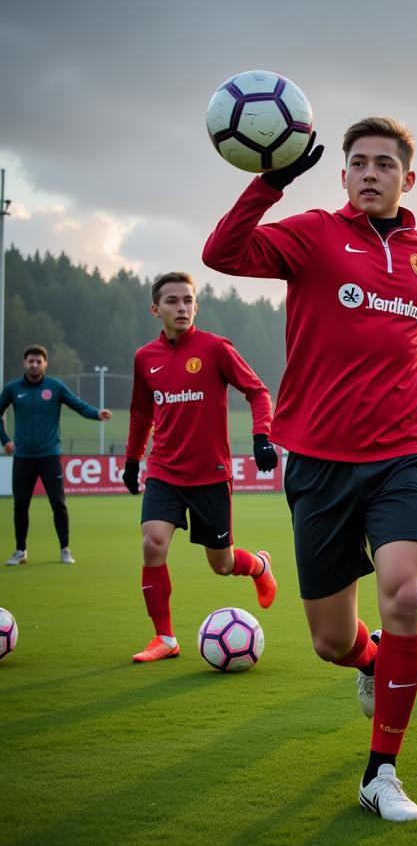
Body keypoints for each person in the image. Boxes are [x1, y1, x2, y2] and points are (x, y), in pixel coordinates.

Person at [203, 118, 417, 823]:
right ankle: (371, 663)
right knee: (332, 641)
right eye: (357, 164)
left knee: (405, 596)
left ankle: (382, 771)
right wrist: (270, 182)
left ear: (408, 177)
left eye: (383, 163)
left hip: (402, 455)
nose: (370, 173)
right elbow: (222, 252)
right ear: (341, 177)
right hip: (316, 462)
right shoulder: (311, 233)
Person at [122, 272, 279, 664]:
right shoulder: (145, 358)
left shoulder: (215, 348)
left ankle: (259, 565)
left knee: (221, 564)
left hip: (210, 474)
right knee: (152, 543)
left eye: (189, 300)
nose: (182, 308)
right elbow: (141, 414)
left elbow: (258, 392)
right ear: (156, 309)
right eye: (173, 301)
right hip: (164, 471)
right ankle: (165, 638)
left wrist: (262, 435)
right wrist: (131, 458)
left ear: (196, 305)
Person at [1, 344, 111, 566]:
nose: (34, 365)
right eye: (30, 361)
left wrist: (96, 414)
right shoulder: (13, 389)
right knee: (20, 505)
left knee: (58, 503)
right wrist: (5, 440)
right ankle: (20, 550)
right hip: (23, 457)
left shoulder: (55, 387)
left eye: (38, 361)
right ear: (24, 363)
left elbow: (78, 405)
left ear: (45, 364)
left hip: (49, 456)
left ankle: (64, 549)